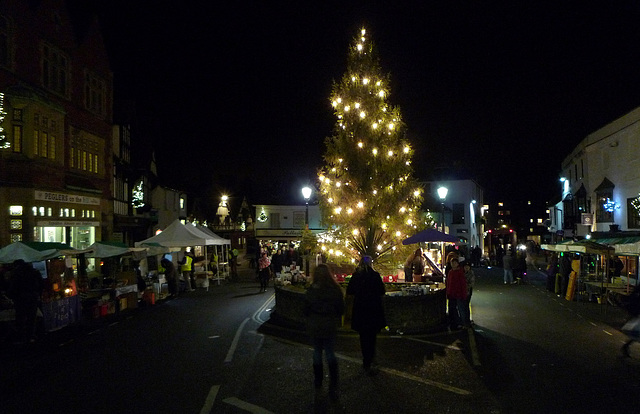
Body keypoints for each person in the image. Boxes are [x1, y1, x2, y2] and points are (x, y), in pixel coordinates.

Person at [304, 264, 345, 403]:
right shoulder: (335, 290)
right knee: (329, 352)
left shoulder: (311, 290)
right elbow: (341, 309)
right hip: (329, 325)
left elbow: (305, 309)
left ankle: (318, 381)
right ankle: (333, 383)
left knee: (317, 352)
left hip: (315, 325)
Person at [346, 255, 386, 376]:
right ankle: (372, 357)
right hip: (373, 308)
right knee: (372, 336)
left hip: (361, 309)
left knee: (363, 336)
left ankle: (366, 360)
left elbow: (350, 291)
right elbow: (382, 291)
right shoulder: (375, 276)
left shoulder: (356, 276)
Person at [8, 260, 43, 344]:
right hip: (32, 297)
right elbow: (41, 284)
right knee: (31, 317)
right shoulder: (34, 272)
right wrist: (38, 294)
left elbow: (13, 287)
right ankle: (31, 335)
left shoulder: (17, 274)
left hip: (20, 299)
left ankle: (21, 337)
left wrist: (11, 296)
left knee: (21, 318)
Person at [446, 257, 467, 330]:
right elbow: (448, 283)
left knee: (461, 309)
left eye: (455, 263)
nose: (453, 264)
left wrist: (463, 295)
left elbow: (463, 284)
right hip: (451, 294)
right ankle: (454, 323)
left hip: (458, 294)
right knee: (452, 309)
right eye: (452, 263)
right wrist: (448, 292)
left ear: (458, 264)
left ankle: (463, 324)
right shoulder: (450, 272)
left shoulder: (460, 272)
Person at [621, 284, 640, 357]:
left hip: (636, 311)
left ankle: (626, 346)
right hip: (637, 311)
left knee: (636, 333)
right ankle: (626, 346)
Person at [462, 260, 475, 327]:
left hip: (468, 291)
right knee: (463, 305)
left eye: (468, 267)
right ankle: (464, 319)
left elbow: (471, 283)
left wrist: (466, 286)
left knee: (466, 304)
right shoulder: (461, 273)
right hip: (462, 291)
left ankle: (467, 319)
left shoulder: (471, 273)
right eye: (465, 267)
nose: (466, 268)